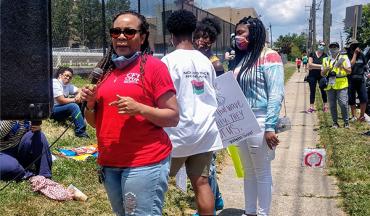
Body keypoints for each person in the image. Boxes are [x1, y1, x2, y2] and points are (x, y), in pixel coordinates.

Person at [80, 11, 179, 216]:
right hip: (109, 163)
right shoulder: (105, 71)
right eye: (116, 32)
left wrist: (140, 108)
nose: (121, 36)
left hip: (145, 163)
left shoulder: (154, 67)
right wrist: (90, 105)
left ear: (142, 37)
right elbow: (94, 123)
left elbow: (172, 116)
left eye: (129, 31)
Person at [161, 10, 223, 216]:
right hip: (205, 131)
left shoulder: (167, 62)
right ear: (193, 32)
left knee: (156, 184)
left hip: (177, 134)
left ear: (171, 35)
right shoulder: (207, 61)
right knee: (201, 182)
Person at [231, 16, 284, 216]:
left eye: (241, 32)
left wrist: (270, 126)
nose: (237, 37)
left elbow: (276, 94)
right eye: (236, 33)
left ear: (254, 33)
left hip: (261, 120)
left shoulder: (270, 56)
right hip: (241, 120)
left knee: (262, 172)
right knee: (249, 172)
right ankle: (250, 212)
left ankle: (262, 213)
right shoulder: (242, 58)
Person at [193, 17, 224, 212]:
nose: (200, 41)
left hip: (209, 120)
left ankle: (207, 208)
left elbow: (221, 94)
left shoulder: (215, 64)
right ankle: (217, 198)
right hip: (195, 118)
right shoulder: (194, 59)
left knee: (206, 167)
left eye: (205, 38)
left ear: (211, 41)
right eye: (197, 37)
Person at [51, 67, 89, 138]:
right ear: (60, 75)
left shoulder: (67, 85)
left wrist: (78, 95)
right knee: (73, 106)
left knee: (82, 99)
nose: (68, 78)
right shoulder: (55, 82)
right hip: (52, 110)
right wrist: (75, 99)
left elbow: (80, 90)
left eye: (70, 77)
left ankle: (81, 121)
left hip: (61, 108)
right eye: (66, 75)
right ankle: (80, 132)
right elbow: (61, 100)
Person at [322, 42, 351, 128]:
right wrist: (326, 69)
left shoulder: (344, 58)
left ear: (338, 49)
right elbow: (322, 74)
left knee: (343, 103)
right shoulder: (326, 59)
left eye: (335, 47)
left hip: (342, 83)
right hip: (330, 84)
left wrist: (343, 67)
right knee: (332, 104)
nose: (333, 49)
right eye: (331, 47)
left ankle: (346, 122)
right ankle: (335, 122)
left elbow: (349, 71)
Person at [347, 39, 368, 122]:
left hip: (360, 79)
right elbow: (350, 65)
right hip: (351, 79)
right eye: (353, 45)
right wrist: (355, 54)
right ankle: (354, 116)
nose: (355, 47)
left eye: (356, 45)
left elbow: (365, 65)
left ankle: (362, 116)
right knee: (351, 98)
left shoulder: (362, 55)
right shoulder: (348, 55)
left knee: (364, 98)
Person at [307, 42, 329, 113]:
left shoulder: (325, 55)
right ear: (318, 45)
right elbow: (309, 64)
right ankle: (311, 107)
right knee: (312, 91)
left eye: (323, 45)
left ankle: (325, 106)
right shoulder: (312, 54)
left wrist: (314, 66)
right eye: (320, 45)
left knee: (323, 90)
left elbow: (326, 66)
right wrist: (321, 66)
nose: (321, 46)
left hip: (321, 75)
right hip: (312, 75)